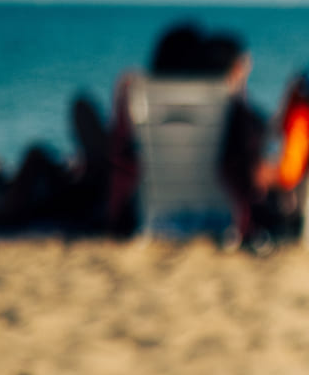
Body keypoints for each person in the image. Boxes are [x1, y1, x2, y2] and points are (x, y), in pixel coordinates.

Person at [104, 22, 270, 241]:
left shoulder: (143, 98)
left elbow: (123, 157)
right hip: (222, 214)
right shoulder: (229, 109)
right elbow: (250, 174)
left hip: (158, 211)